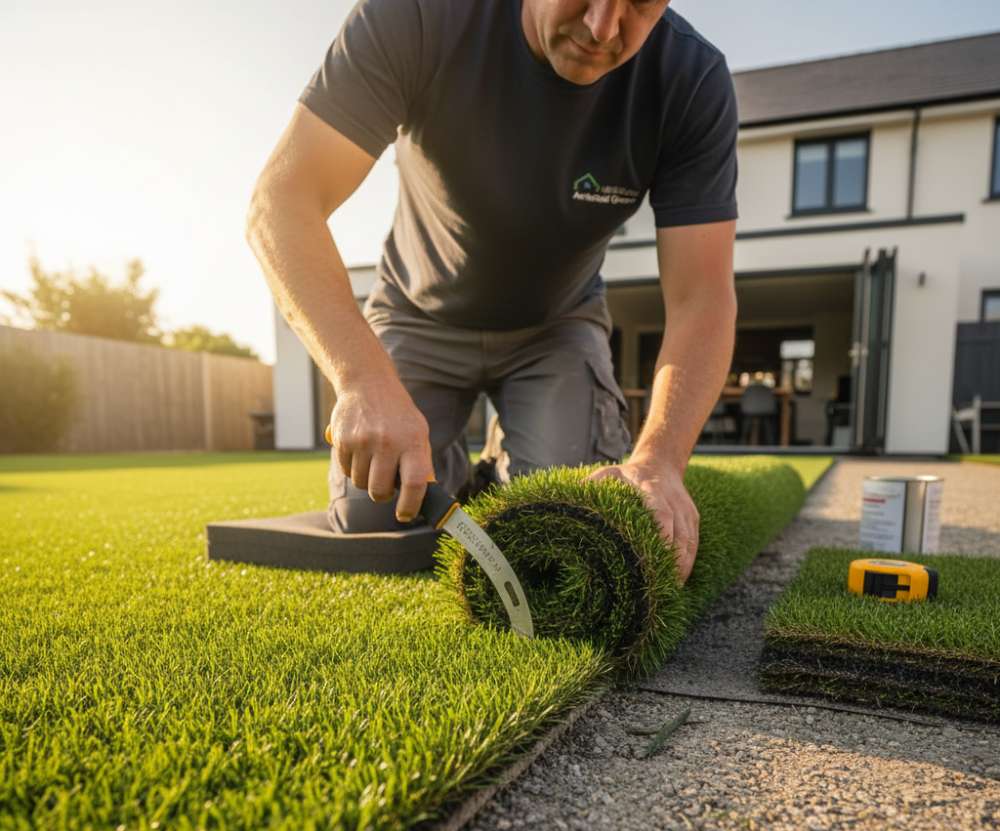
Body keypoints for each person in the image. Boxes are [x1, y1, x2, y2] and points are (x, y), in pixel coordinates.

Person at [246, 0, 739, 584]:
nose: (603, 28)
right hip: (416, 315)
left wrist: (660, 460)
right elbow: (281, 204)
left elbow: (701, 297)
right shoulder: (419, 15)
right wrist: (362, 378)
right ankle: (461, 472)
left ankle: (508, 460)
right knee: (377, 513)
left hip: (556, 327)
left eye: (638, 4)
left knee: (571, 528)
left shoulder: (691, 77)